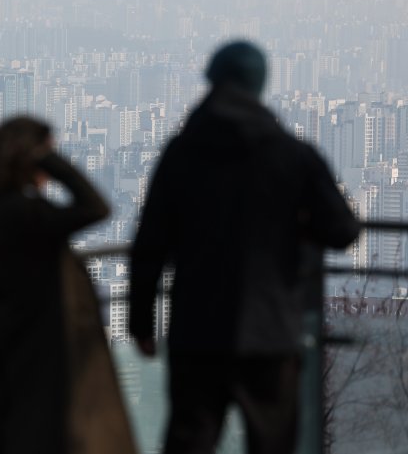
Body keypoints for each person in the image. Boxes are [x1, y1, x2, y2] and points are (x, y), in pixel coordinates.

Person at [129, 41, 360, 454]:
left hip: (197, 331)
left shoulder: (182, 154)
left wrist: (141, 325)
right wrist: (301, 226)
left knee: (189, 442)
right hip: (271, 332)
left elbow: (149, 246)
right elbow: (343, 230)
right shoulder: (292, 154)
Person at [0, 117, 137, 454]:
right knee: (55, 432)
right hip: (49, 340)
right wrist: (50, 161)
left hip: (5, 331)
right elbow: (96, 208)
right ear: (26, 158)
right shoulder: (24, 213)